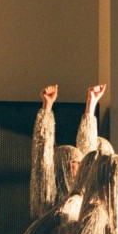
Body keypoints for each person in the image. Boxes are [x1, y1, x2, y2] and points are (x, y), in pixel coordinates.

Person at [30, 84, 82, 220]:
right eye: (75, 162)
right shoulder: (49, 197)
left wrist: (91, 105)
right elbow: (43, 151)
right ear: (63, 165)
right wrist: (47, 106)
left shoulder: (80, 197)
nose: (81, 166)